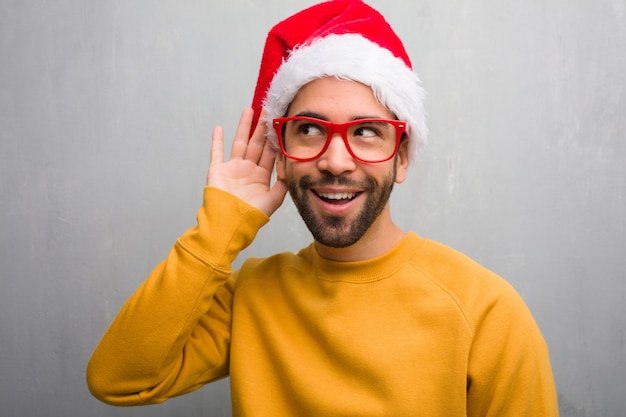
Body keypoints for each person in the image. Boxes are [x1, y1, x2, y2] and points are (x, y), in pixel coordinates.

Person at [87, 0, 559, 415]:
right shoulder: (250, 296)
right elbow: (119, 378)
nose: (336, 162)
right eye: (310, 130)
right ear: (282, 155)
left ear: (403, 158)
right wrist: (220, 227)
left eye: (367, 131)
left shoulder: (485, 311)